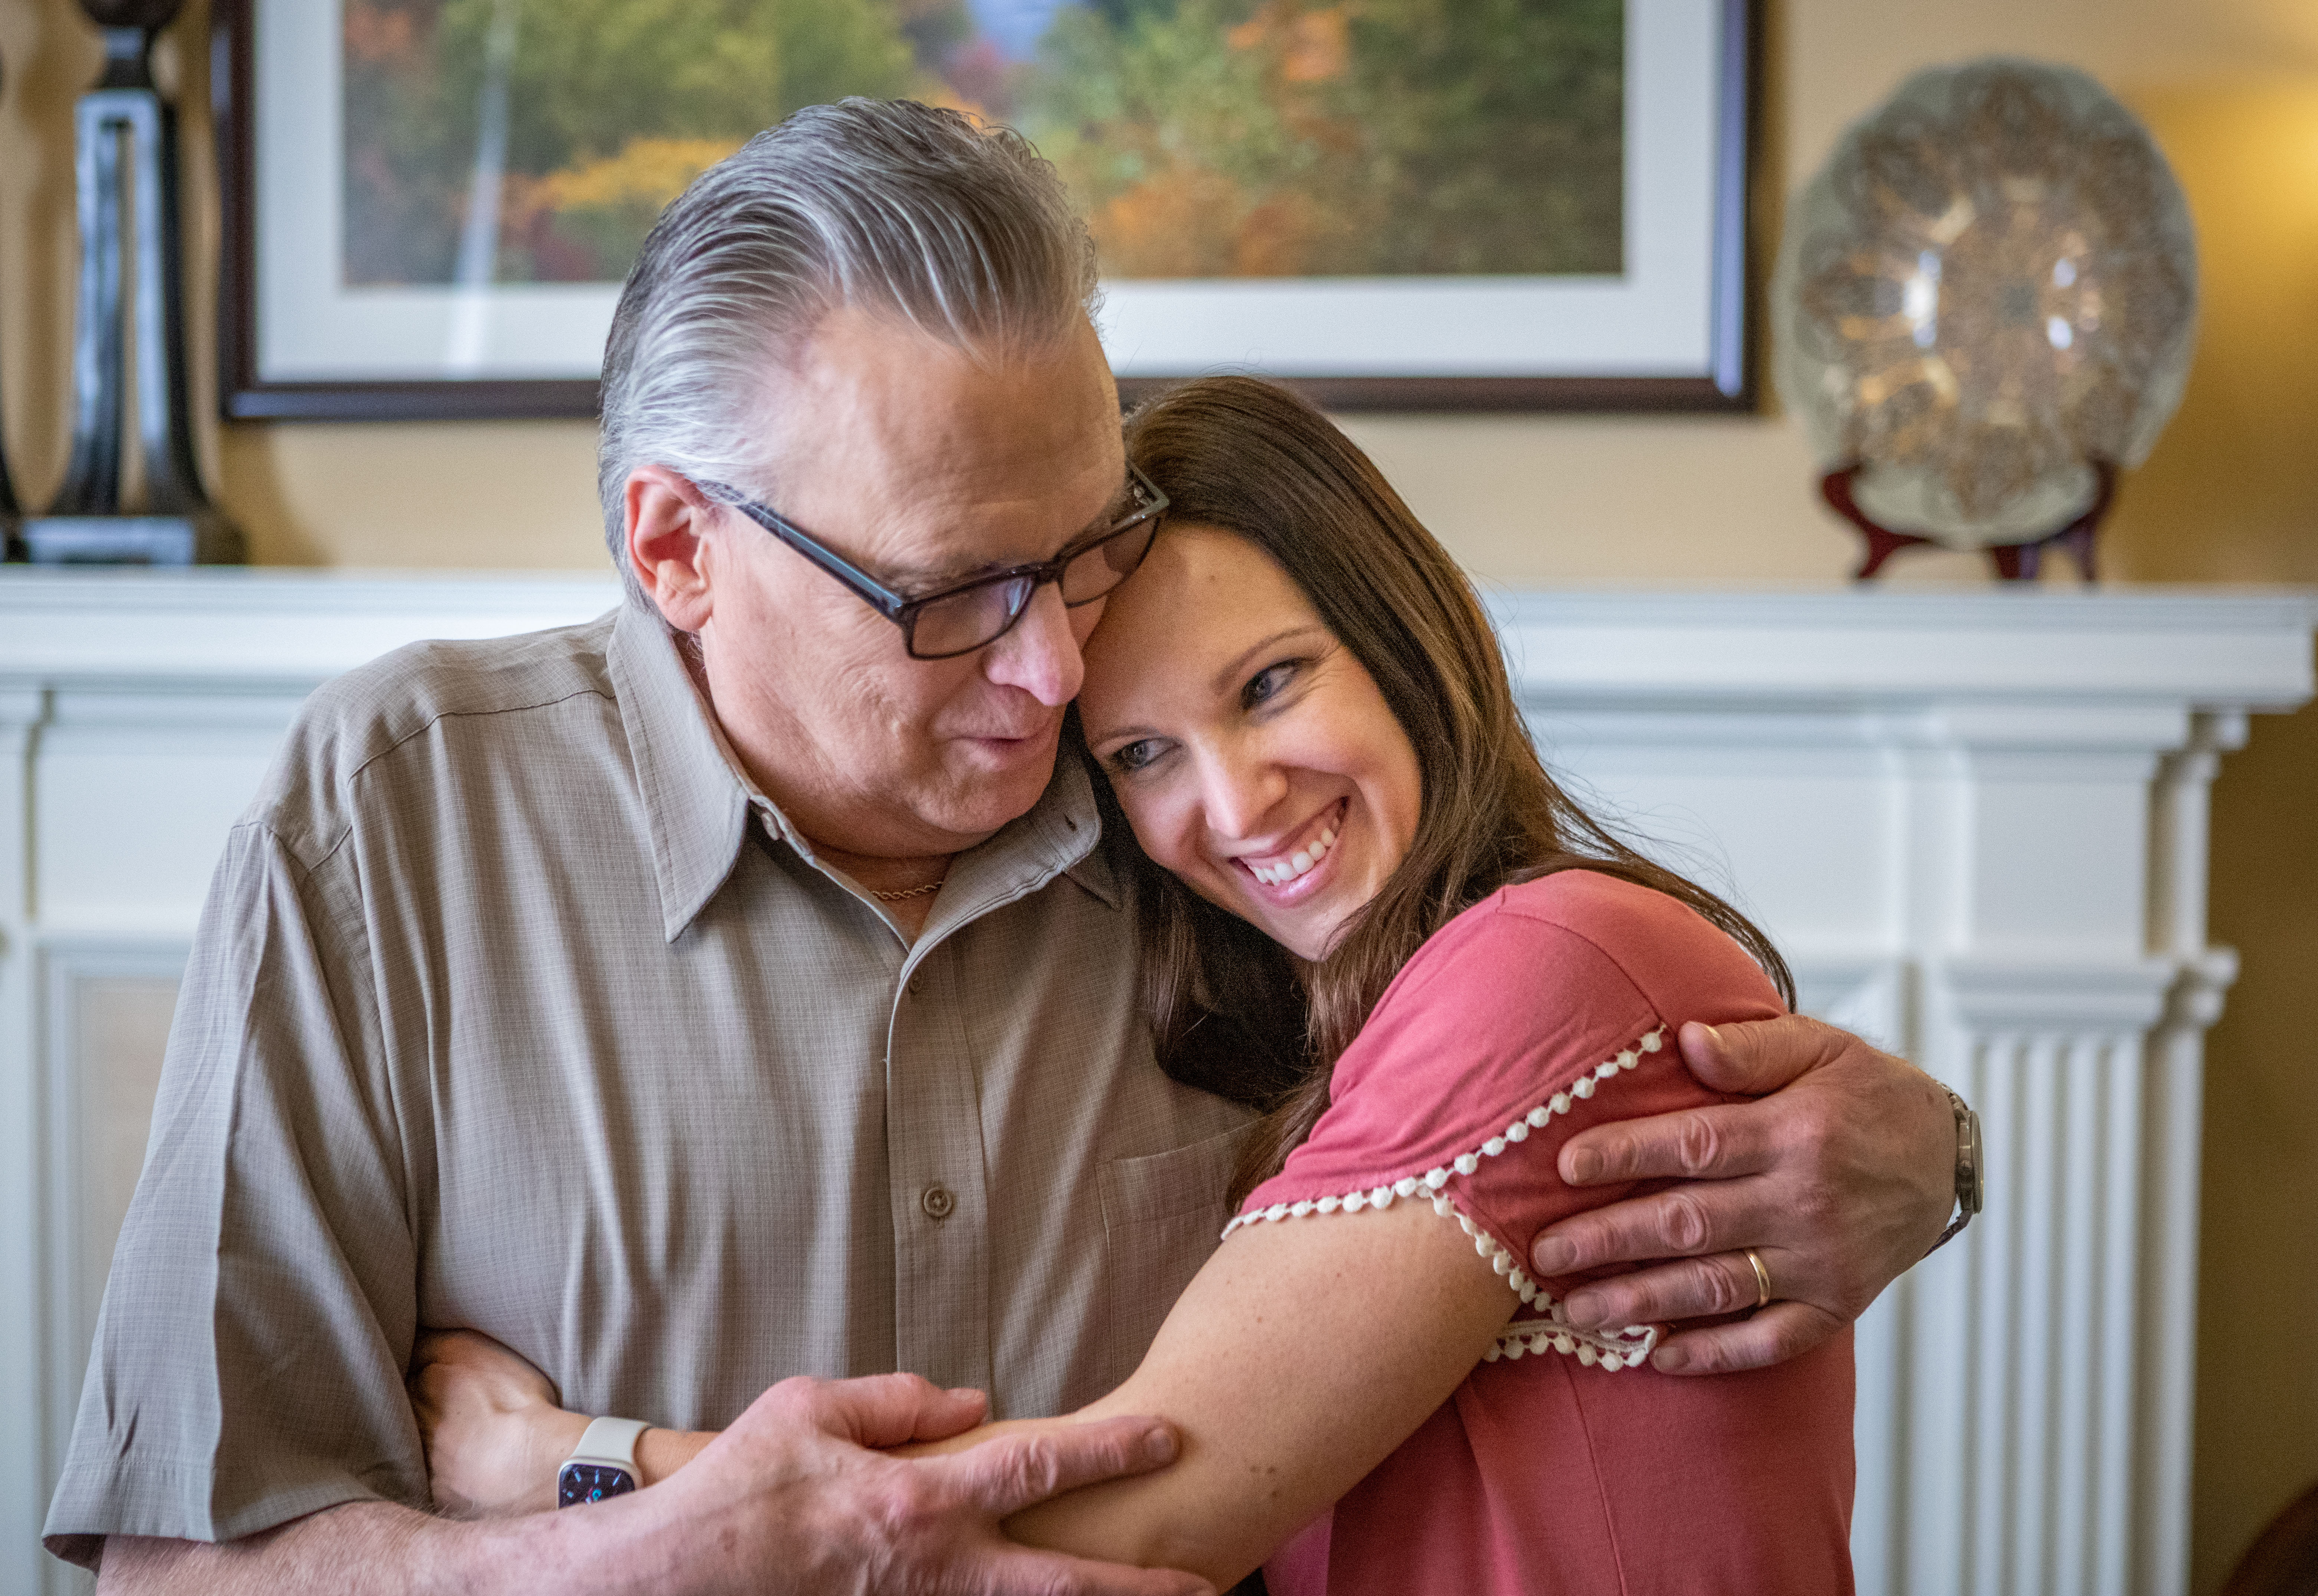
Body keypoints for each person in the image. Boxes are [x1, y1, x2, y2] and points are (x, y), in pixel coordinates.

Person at [53, 100, 1960, 1596]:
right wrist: (618, 1554)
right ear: (675, 550)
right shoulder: (395, 816)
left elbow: (1518, 1052)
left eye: (1083, 546)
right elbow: (174, 1561)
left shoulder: (1209, 845)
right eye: (957, 592)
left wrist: (1936, 1155)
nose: (1056, 668)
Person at [409, 376, 1858, 1593]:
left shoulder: (1543, 966)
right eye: (1141, 755)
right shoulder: (1333, 1033)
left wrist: (573, 1464)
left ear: (1405, 637)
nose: (1229, 803)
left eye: (1271, 683)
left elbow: (1133, 1520)